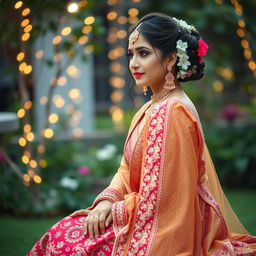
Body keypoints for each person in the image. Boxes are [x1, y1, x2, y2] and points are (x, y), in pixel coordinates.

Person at [27, 12, 256, 256]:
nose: (133, 63)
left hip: (164, 230)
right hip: (137, 214)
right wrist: (106, 200)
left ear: (170, 60)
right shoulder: (153, 106)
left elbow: (163, 200)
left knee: (63, 240)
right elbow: (126, 168)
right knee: (63, 233)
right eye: (131, 54)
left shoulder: (172, 112)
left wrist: (114, 212)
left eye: (143, 53)